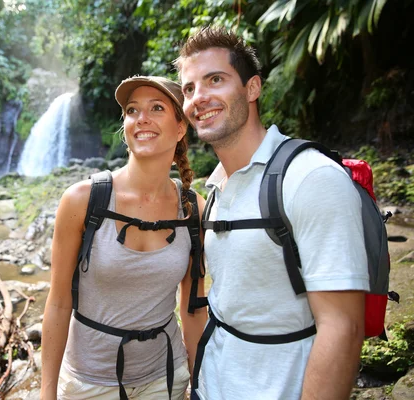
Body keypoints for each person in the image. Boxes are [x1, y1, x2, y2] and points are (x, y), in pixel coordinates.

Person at [174, 26, 369, 400]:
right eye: (189, 88)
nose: (200, 97)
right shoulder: (214, 189)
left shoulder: (310, 177)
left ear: (252, 88)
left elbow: (343, 326)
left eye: (215, 79)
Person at [40, 75, 208, 400]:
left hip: (165, 378)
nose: (141, 118)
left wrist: (199, 382)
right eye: (132, 110)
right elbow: (59, 303)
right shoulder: (82, 200)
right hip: (89, 383)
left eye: (156, 108)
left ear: (180, 128)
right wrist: (47, 392)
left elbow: (193, 310)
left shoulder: (192, 209)